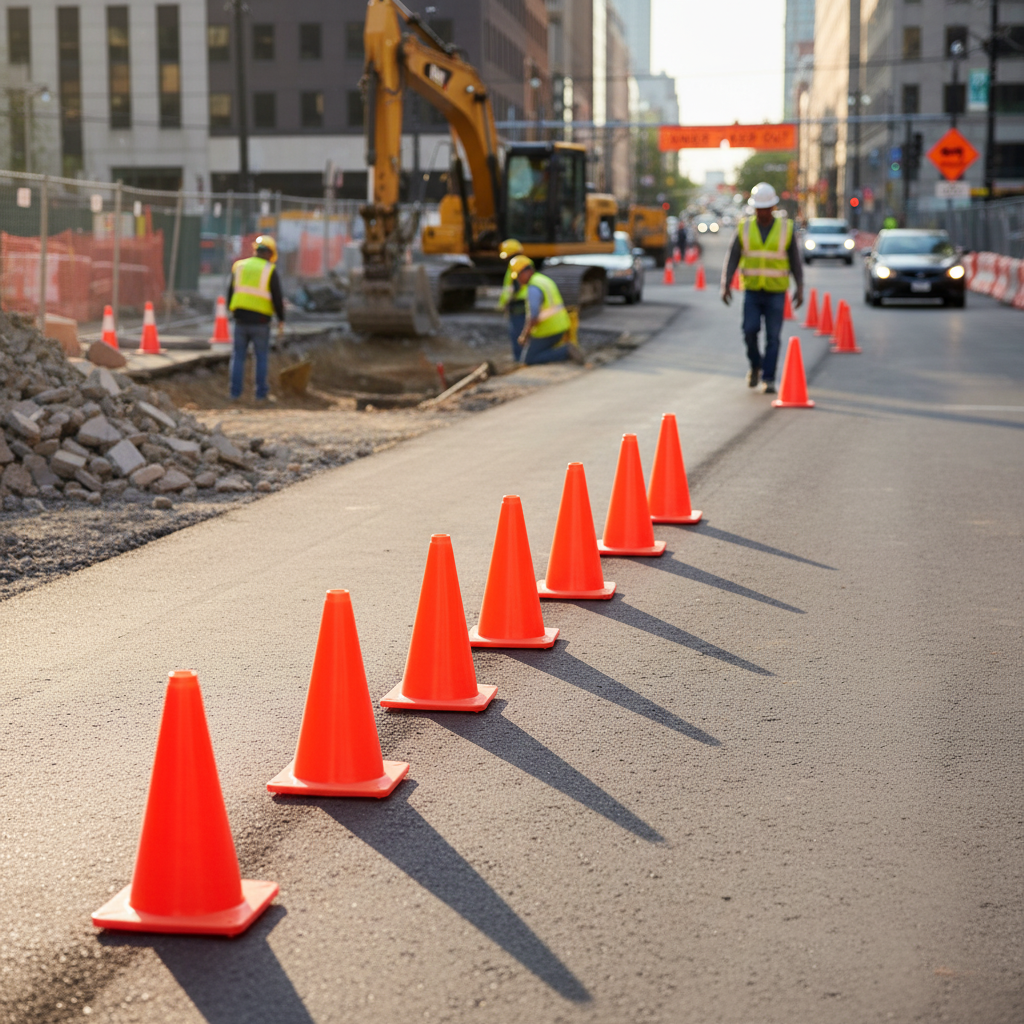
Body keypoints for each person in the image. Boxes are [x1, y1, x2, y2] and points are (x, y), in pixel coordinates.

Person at [721, 182, 803, 395]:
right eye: (759, 208)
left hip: (776, 292)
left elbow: (795, 260)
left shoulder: (786, 228)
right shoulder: (744, 227)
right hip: (753, 291)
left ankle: (768, 378)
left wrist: (800, 287)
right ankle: (755, 365)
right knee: (749, 331)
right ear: (754, 208)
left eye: (766, 208)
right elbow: (733, 257)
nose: (763, 212)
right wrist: (726, 284)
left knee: (773, 337)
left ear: (773, 208)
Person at [227, 235, 285, 401]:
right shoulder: (269, 269)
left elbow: (230, 292)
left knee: (238, 356)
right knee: (261, 357)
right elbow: (277, 297)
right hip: (260, 321)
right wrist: (281, 318)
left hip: (240, 319)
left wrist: (232, 312)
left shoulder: (239, 266)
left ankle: (234, 394)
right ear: (270, 253)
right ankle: (261, 395)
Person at [508, 256, 585, 365]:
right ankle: (564, 350)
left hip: (549, 330)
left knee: (529, 359)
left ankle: (565, 351)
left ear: (527, 271)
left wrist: (525, 336)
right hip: (562, 325)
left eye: (519, 276)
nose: (518, 280)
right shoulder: (543, 279)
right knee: (535, 352)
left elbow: (533, 317)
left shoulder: (533, 287)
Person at [497, 238, 528, 357]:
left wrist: (503, 304)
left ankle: (519, 358)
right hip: (526, 303)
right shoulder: (527, 262)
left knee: (517, 334)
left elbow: (512, 288)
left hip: (517, 305)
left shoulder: (514, 265)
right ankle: (523, 356)